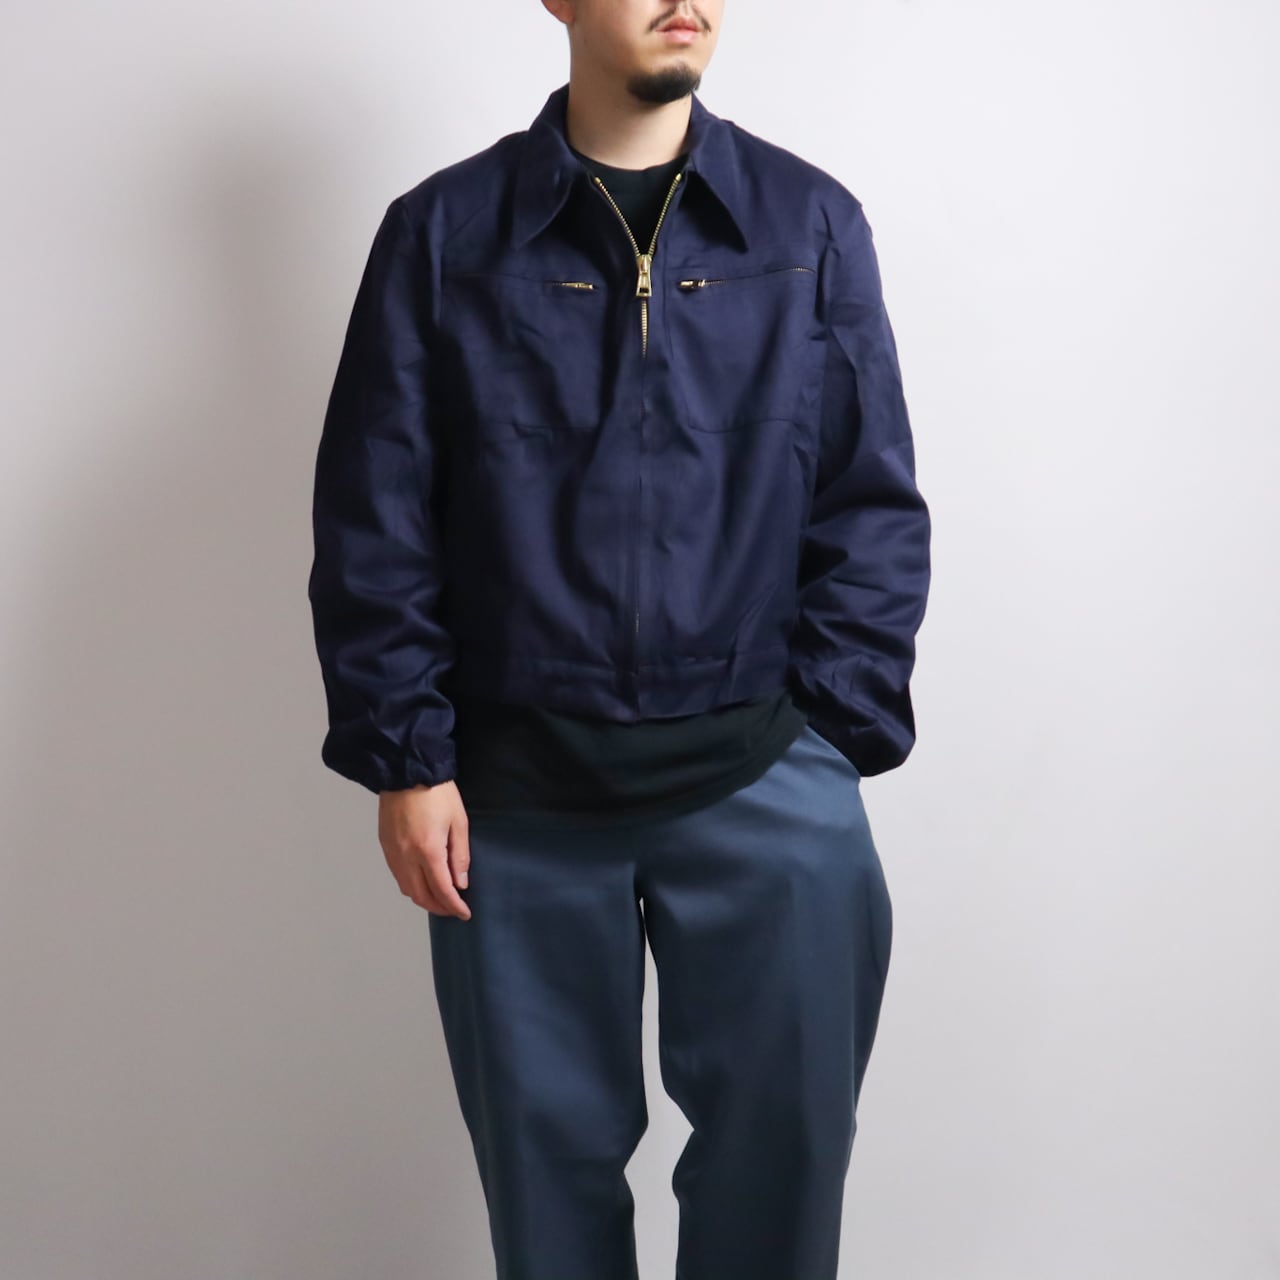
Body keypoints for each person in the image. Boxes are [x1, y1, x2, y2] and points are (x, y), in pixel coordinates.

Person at [307, 2, 931, 1275]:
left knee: (780, 1176)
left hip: (764, 783)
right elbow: (377, 515)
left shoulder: (808, 224)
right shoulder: (442, 234)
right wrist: (408, 759)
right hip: (512, 810)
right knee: (545, 1198)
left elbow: (868, 500)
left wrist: (825, 741)